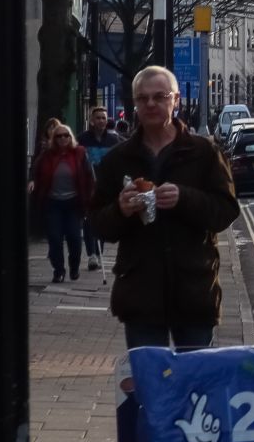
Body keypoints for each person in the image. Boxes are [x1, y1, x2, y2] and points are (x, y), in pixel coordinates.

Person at [88, 67, 239, 350]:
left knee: (194, 388)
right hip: (140, 295)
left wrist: (185, 198)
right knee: (150, 389)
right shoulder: (118, 159)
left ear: (176, 100)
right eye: (142, 98)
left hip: (194, 291)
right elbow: (97, 223)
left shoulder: (203, 152)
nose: (151, 104)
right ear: (134, 103)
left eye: (160, 97)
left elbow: (226, 210)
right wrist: (121, 209)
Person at [30, 123, 94, 282]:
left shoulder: (79, 153)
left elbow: (89, 176)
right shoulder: (46, 156)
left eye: (66, 135)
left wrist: (90, 198)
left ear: (70, 137)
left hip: (73, 202)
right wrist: (31, 182)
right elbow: (35, 171)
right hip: (53, 203)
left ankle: (74, 267)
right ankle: (58, 270)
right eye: (59, 136)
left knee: (74, 237)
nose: (63, 138)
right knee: (55, 238)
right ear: (54, 139)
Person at [78, 106, 117, 271]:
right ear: (92, 121)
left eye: (104, 118)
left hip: (105, 185)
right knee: (88, 220)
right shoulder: (82, 140)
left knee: (101, 218)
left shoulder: (114, 140)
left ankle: (99, 249)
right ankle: (91, 254)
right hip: (88, 185)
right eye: (98, 118)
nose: (101, 121)